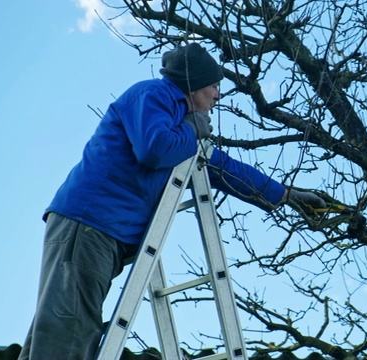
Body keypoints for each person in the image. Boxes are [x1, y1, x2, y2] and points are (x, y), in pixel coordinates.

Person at [19, 43, 326, 360]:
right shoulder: (153, 96)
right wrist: (192, 130)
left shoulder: (180, 124)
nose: (218, 96)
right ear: (193, 86)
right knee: (68, 331)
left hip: (101, 232)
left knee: (61, 331)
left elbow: (222, 168)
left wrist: (286, 195)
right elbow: (154, 149)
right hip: (89, 223)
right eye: (214, 86)